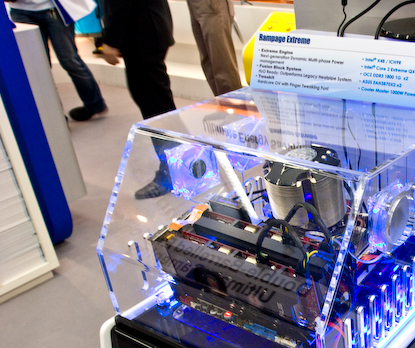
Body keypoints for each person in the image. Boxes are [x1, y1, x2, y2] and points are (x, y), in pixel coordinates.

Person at [101, 0, 177, 199]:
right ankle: (181, 166)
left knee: (156, 106)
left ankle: (172, 172)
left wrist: (111, 39)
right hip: (146, 28)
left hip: (142, 31)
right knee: (157, 103)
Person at [7, 0, 108, 121]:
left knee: (70, 60)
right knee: (37, 67)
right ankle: (55, 116)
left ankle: (95, 105)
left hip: (54, 9)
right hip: (21, 10)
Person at [186, 0, 242, 96]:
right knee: (208, 64)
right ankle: (223, 102)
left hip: (212, 4)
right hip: (194, 4)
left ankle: (236, 103)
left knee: (223, 66)